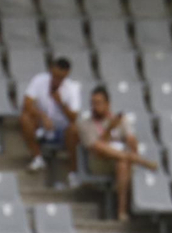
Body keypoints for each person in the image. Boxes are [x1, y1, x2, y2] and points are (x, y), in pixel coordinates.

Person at [77, 85, 159, 220]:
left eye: (98, 103)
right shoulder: (85, 124)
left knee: (122, 163)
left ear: (107, 104)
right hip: (99, 162)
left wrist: (130, 139)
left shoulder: (120, 120)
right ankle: (141, 161)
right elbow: (97, 148)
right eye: (92, 103)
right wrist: (109, 129)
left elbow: (131, 141)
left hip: (120, 161)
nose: (94, 106)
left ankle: (122, 211)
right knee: (102, 148)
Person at [20, 57, 81, 176]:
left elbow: (74, 118)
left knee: (74, 129)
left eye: (61, 78)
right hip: (42, 125)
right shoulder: (39, 80)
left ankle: (74, 171)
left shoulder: (73, 88)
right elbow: (27, 104)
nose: (56, 80)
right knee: (25, 118)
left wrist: (61, 103)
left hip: (62, 129)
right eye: (55, 76)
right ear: (51, 70)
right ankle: (37, 158)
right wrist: (43, 117)